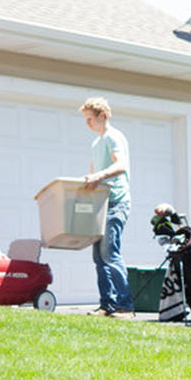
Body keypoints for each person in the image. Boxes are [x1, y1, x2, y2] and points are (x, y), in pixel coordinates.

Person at [78, 97, 133, 317]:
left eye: (90, 119)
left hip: (117, 202)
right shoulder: (96, 143)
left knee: (110, 253)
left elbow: (121, 165)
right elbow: (94, 174)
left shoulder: (113, 137)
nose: (87, 124)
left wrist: (99, 176)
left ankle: (125, 306)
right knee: (98, 257)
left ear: (102, 116)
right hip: (101, 204)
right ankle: (107, 305)